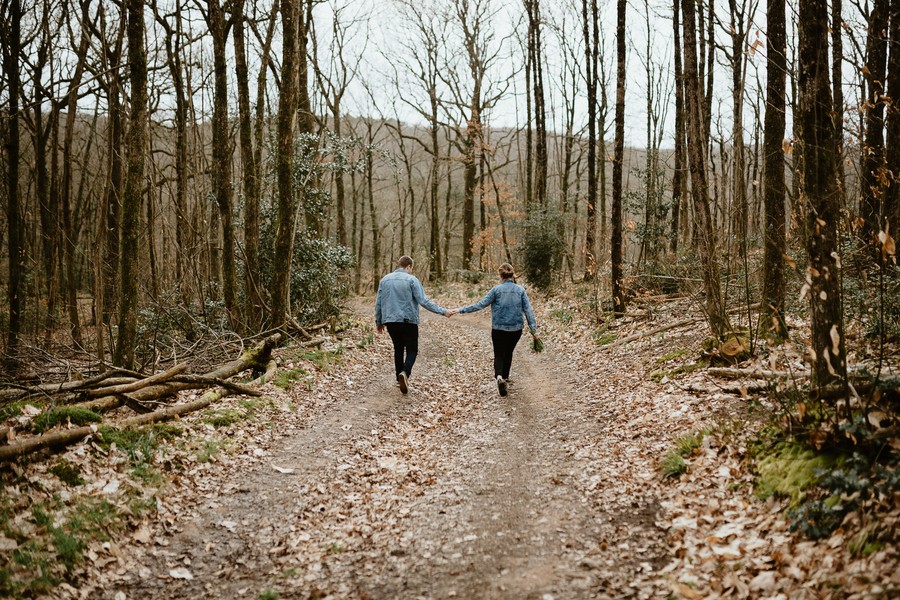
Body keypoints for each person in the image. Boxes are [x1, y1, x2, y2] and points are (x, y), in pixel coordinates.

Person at [449, 263, 539, 396]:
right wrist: (533, 330)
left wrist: (460, 310)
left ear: (500, 275)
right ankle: (505, 377)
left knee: (499, 354)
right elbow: (528, 310)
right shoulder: (520, 290)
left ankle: (499, 377)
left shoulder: (496, 290)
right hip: (516, 330)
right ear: (512, 275)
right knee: (508, 352)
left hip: (499, 329)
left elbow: (480, 305)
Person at [375, 256, 450, 394]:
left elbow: (379, 302)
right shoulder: (411, 280)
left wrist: (379, 321)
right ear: (409, 266)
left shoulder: (385, 280)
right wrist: (443, 311)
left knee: (398, 348)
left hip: (390, 321)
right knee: (412, 350)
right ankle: (405, 372)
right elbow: (424, 301)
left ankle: (399, 379)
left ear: (399, 265)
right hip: (408, 321)